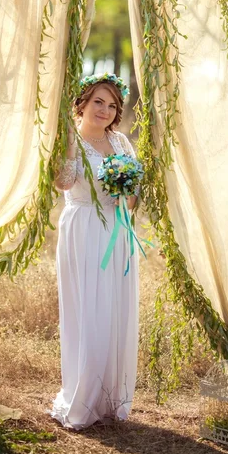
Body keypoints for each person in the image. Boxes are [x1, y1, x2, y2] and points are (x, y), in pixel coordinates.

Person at [51, 73, 139, 430]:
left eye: (112, 105)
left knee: (114, 310)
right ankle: (82, 395)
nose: (104, 110)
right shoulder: (68, 139)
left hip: (117, 232)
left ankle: (108, 398)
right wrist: (71, 142)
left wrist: (124, 193)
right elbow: (64, 182)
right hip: (83, 230)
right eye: (98, 102)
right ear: (83, 103)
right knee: (87, 312)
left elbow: (133, 199)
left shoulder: (121, 143)